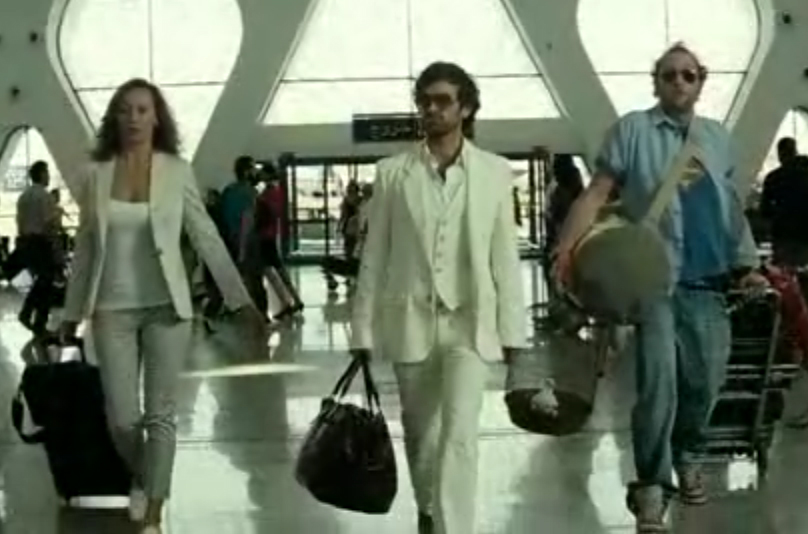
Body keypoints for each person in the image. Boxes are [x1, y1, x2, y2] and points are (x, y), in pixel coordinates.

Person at [552, 43, 766, 533]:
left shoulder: (717, 139)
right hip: (651, 281)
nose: (678, 82)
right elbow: (597, 193)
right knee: (657, 387)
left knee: (704, 381)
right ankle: (651, 487)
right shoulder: (633, 130)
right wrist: (566, 250)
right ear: (656, 82)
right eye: (669, 75)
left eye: (688, 75)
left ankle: (688, 452)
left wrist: (748, 265)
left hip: (705, 280)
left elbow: (730, 208)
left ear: (701, 82)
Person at [59, 78, 263, 534]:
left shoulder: (177, 171)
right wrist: (71, 314)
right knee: (122, 419)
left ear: (157, 118)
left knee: (161, 416)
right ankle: (144, 475)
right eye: (125, 110)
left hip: (167, 309)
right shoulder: (96, 175)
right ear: (115, 118)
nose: (133, 118)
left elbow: (205, 235)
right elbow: (86, 247)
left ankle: (153, 511)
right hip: (110, 310)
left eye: (142, 110)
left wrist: (239, 300)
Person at [350, 61, 526, 534]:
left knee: (460, 434)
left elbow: (505, 258)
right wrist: (361, 328)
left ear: (465, 108)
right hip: (411, 320)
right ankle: (428, 510)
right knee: (420, 434)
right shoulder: (393, 174)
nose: (431, 109)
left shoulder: (493, 172)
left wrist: (514, 335)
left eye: (442, 100)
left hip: (470, 324)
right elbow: (375, 254)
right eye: (424, 101)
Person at [6, 161, 61, 336]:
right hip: (41, 243)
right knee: (47, 283)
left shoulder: (23, 196)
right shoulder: (45, 196)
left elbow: (20, 222)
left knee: (41, 281)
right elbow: (49, 223)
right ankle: (38, 322)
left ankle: (28, 314)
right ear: (42, 174)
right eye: (47, 172)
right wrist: (55, 246)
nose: (49, 176)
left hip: (26, 243)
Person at [255, 163, 304, 319]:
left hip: (265, 235)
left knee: (270, 271)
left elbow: (267, 213)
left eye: (263, 173)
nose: (260, 175)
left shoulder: (269, 193)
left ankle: (287, 302)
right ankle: (294, 299)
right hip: (270, 234)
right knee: (278, 270)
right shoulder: (276, 192)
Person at [760, 138, 808, 266]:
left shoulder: (773, 178)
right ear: (795, 151)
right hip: (805, 233)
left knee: (783, 272)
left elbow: (764, 210)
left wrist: (779, 213)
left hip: (782, 235)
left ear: (780, 154)